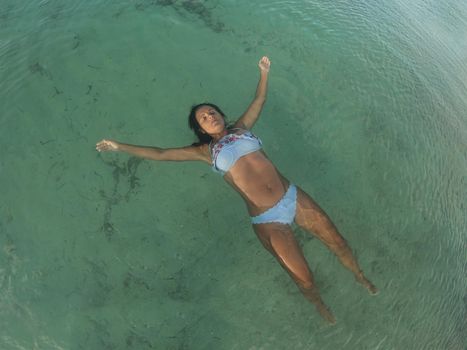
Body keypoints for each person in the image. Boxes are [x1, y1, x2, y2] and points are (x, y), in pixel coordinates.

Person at [96, 56, 377, 324]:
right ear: (201, 129)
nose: (210, 116)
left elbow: (260, 99)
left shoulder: (242, 128)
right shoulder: (205, 152)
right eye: (204, 118)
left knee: (337, 242)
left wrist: (264, 73)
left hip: (292, 196)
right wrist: (120, 146)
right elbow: (159, 153)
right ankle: (319, 305)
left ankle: (360, 276)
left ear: (221, 114)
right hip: (269, 221)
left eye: (212, 111)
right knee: (304, 278)